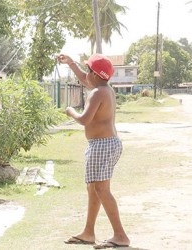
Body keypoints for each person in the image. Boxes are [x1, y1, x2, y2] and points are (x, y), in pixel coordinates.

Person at [57, 53, 130, 249]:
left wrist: (70, 110)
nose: (86, 74)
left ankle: (120, 235)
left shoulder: (97, 93)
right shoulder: (104, 89)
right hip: (103, 144)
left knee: (101, 189)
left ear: (96, 75)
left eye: (88, 70)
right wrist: (71, 63)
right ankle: (88, 233)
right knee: (93, 189)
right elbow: (84, 79)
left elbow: (83, 120)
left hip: (102, 145)